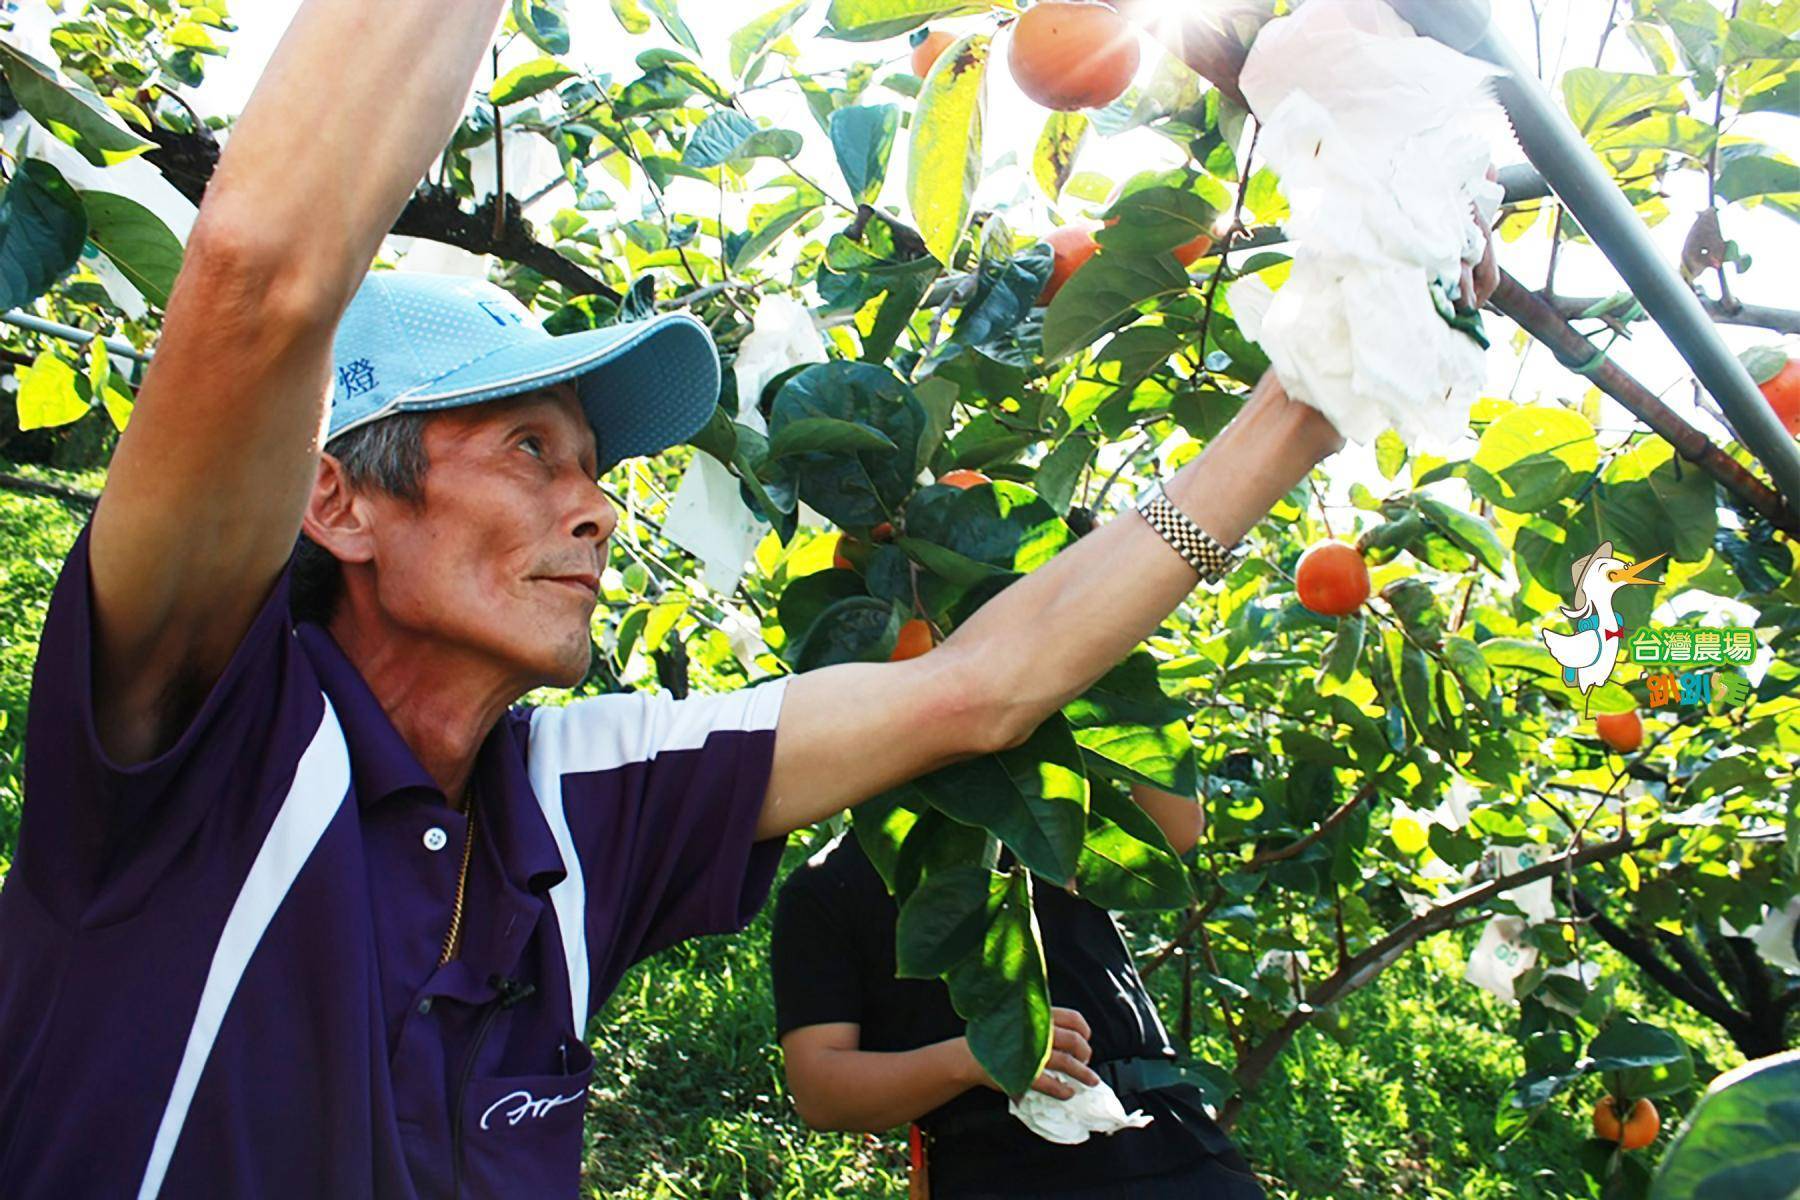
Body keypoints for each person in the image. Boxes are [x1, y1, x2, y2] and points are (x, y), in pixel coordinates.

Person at [0, 0, 1499, 1195]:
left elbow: (981, 686)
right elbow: (263, 276)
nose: (594, 506)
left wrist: (1313, 388)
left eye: (595, 463)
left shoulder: (584, 804)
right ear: (339, 500)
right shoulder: (198, 729)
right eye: (529, 448)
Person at [772, 784, 1262, 1199]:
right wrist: (975, 1059)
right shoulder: (825, 888)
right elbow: (821, 1089)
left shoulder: (1043, 814)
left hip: (1170, 1136)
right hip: (1000, 1164)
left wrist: (1107, 670)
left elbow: (1173, 828)